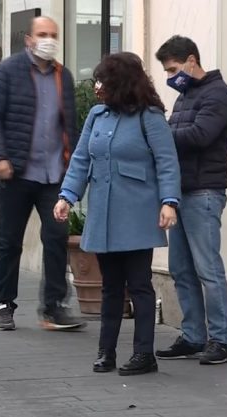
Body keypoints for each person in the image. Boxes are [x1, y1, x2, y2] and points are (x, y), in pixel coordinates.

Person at [54, 52, 181, 376]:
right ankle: (105, 352)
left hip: (137, 214)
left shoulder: (149, 117)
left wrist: (169, 202)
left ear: (121, 83)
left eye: (104, 80)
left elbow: (167, 162)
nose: (98, 87)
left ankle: (143, 355)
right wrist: (67, 196)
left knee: (139, 285)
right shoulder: (98, 116)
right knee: (110, 285)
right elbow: (81, 159)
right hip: (104, 214)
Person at [0, 16, 81, 331]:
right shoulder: (7, 72)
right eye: (42, 34)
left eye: (53, 34)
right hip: (16, 172)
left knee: (56, 237)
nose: (48, 39)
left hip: (54, 174)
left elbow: (70, 124)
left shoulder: (63, 76)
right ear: (29, 39)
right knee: (10, 240)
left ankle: (53, 307)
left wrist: (74, 167)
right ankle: (3, 304)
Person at [154, 36, 227, 365]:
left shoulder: (218, 94)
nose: (170, 76)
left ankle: (221, 340)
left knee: (207, 269)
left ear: (192, 60)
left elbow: (201, 136)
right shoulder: (186, 95)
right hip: (181, 192)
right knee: (181, 269)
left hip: (204, 191)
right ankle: (193, 336)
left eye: (173, 69)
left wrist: (159, 133)